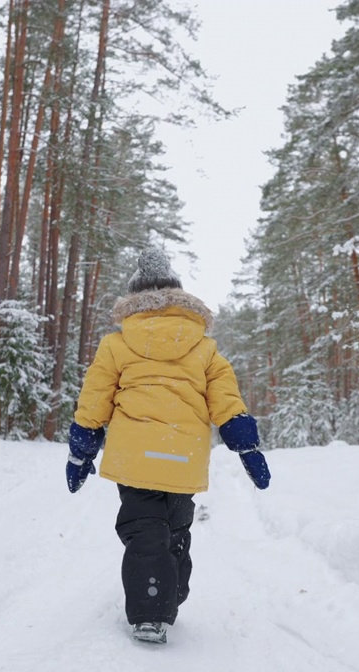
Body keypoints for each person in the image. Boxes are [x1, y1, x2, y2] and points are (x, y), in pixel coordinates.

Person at [65, 247, 271, 644]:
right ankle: (169, 595)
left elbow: (95, 400)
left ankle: (150, 607)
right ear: (178, 298)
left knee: (144, 528)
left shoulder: (116, 345)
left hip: (135, 459)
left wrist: (81, 450)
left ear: (133, 300)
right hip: (182, 459)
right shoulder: (204, 348)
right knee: (175, 529)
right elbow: (226, 401)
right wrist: (247, 447)